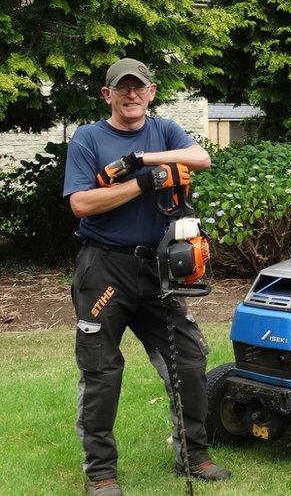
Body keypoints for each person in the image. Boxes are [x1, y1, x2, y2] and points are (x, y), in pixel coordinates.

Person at [63, 58, 230, 495]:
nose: (131, 95)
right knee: (101, 371)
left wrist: (141, 158)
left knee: (189, 360)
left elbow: (201, 157)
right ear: (108, 95)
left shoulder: (165, 130)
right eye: (123, 88)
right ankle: (101, 474)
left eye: (139, 88)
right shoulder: (88, 138)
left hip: (158, 267)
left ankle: (193, 455)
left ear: (151, 92)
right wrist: (143, 182)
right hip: (104, 268)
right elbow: (81, 203)